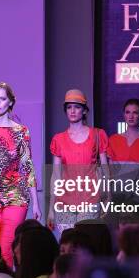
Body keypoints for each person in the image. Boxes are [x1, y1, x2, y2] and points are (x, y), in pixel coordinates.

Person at [0, 82, 41, 268]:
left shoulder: (21, 131)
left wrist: (35, 202)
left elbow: (27, 166)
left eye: (2, 98)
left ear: (10, 102)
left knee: (6, 251)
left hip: (16, 196)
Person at [47, 89, 109, 231]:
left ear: (85, 110)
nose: (73, 111)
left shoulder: (98, 135)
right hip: (64, 200)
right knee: (68, 243)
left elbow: (105, 169)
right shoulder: (59, 139)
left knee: (85, 243)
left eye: (77, 107)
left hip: (90, 198)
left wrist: (108, 197)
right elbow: (56, 176)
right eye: (69, 107)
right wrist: (51, 209)